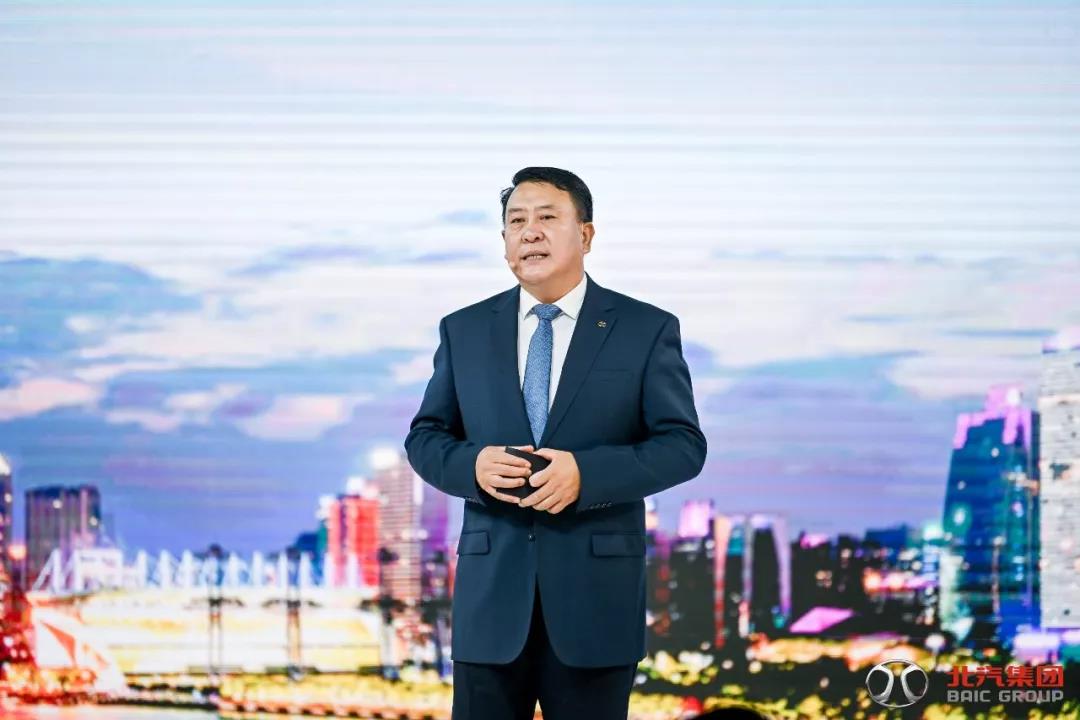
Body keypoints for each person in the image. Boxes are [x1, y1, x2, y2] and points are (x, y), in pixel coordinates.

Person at [404, 167, 707, 720]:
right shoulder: (464, 330)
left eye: (547, 217)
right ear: (503, 241)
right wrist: (473, 467)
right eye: (516, 221)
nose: (530, 232)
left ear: (585, 235)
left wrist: (586, 476)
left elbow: (683, 445)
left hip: (597, 606)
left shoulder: (645, 328)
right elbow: (425, 437)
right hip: (490, 607)